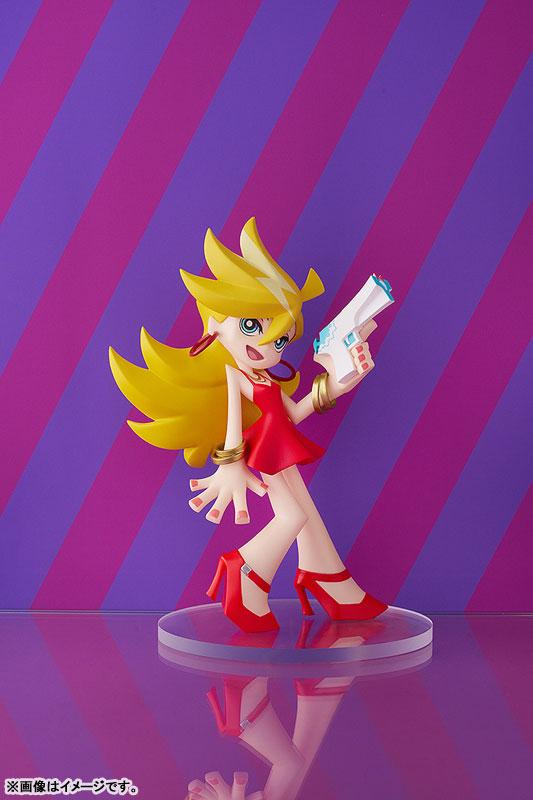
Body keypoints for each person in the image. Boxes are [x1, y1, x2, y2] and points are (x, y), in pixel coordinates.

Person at [109, 218, 387, 633]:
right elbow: (233, 425)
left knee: (306, 513)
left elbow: (293, 414)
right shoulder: (235, 376)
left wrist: (335, 384)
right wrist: (230, 466)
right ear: (215, 327)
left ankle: (327, 577)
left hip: (280, 445)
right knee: (292, 516)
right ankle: (246, 570)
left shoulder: (267, 379)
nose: (269, 344)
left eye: (281, 338)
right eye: (253, 327)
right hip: (263, 451)